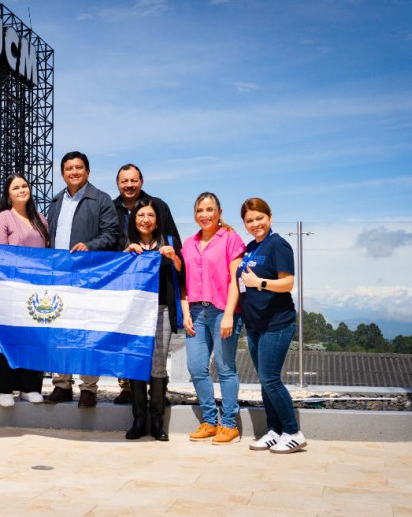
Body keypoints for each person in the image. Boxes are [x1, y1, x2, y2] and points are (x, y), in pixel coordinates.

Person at [45, 151, 120, 408]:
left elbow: (112, 234)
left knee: (87, 332)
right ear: (63, 173)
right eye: (69, 168)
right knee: (60, 331)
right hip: (60, 277)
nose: (74, 172)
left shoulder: (101, 200)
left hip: (88, 277)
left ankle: (88, 387)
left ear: (87, 171)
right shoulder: (55, 202)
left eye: (79, 168)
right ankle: (61, 385)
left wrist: (90, 246)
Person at [237, 198, 307, 454]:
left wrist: (260, 283)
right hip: (255, 324)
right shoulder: (251, 248)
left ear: (270, 217)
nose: (255, 224)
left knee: (271, 379)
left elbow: (287, 284)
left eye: (259, 218)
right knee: (265, 381)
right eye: (249, 220)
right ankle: (274, 431)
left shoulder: (278, 245)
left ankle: (293, 431)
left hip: (276, 324)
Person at [112, 163, 182, 405]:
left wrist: (171, 256)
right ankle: (129, 390)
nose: (129, 185)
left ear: (141, 181)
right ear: (118, 184)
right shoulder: (112, 208)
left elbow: (175, 242)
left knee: (158, 352)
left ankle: (158, 399)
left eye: (133, 180)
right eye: (124, 181)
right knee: (129, 348)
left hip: (160, 292)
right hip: (129, 294)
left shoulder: (158, 205)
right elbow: (110, 246)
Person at [181, 192, 245, 445]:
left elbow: (236, 280)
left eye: (209, 209)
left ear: (219, 212)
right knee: (196, 367)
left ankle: (229, 424)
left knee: (225, 367)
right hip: (195, 312)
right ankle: (209, 420)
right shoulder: (188, 244)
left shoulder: (230, 238)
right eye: (200, 210)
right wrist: (185, 312)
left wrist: (229, 314)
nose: (205, 215)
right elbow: (183, 283)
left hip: (222, 312)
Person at [0, 174, 50, 407]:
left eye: (24, 186)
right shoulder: (2, 218)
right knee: (8, 336)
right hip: (10, 288)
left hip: (35, 290)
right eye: (16, 187)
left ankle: (30, 387)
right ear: (9, 194)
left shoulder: (41, 219)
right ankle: (3, 389)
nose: (22, 190)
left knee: (33, 338)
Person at [123, 199, 184, 441]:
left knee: (158, 365)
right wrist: (125, 256)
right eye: (141, 215)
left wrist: (174, 258)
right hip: (134, 312)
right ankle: (139, 420)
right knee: (137, 362)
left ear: (157, 219)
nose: (145, 219)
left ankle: (157, 421)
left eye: (150, 215)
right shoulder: (126, 244)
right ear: (134, 219)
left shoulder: (168, 242)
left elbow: (182, 274)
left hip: (161, 310)